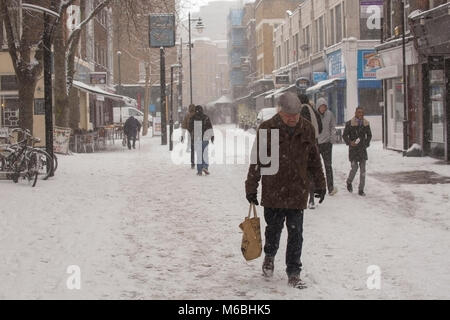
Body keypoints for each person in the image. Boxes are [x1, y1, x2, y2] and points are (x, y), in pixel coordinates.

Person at [245, 92, 326, 289]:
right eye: (289, 115)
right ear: (280, 111)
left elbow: (315, 160)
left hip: (298, 190)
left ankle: (294, 272)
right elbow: (257, 161)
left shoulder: (306, 129)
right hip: (274, 190)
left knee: (296, 233)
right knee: (273, 230)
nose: (293, 119)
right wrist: (251, 187)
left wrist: (321, 184)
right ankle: (270, 256)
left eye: (296, 115)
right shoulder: (267, 128)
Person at [299, 94, 323, 210]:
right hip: (315, 142)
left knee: (304, 171)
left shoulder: (302, 110)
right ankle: (311, 197)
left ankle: (309, 198)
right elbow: (320, 126)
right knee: (312, 169)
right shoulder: (313, 110)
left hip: (304, 144)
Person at [343, 107, 372, 197]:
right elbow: (344, 135)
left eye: (362, 112)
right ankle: (349, 181)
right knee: (354, 168)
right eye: (359, 112)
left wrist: (366, 143)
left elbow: (369, 135)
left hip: (362, 150)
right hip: (353, 150)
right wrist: (350, 142)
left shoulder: (366, 123)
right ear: (355, 113)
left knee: (363, 170)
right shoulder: (349, 123)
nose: (361, 114)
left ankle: (361, 189)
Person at [316, 97, 338, 196]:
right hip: (317, 144)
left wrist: (332, 138)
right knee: (317, 167)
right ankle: (318, 187)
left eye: (324, 106)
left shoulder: (329, 114)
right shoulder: (315, 115)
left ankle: (330, 187)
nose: (323, 108)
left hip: (327, 144)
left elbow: (333, 126)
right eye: (321, 107)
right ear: (318, 107)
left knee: (328, 166)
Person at [189, 105, 214, 176]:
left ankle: (199, 170)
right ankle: (205, 167)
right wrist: (212, 136)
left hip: (197, 139)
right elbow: (210, 127)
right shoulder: (206, 117)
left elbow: (190, 128)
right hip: (205, 138)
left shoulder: (193, 118)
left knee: (199, 154)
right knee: (205, 153)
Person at [181, 104, 197, 169]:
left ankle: (192, 163)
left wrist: (183, 136)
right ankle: (200, 162)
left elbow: (184, 125)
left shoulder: (187, 115)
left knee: (192, 148)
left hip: (190, 132)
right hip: (198, 133)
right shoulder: (197, 114)